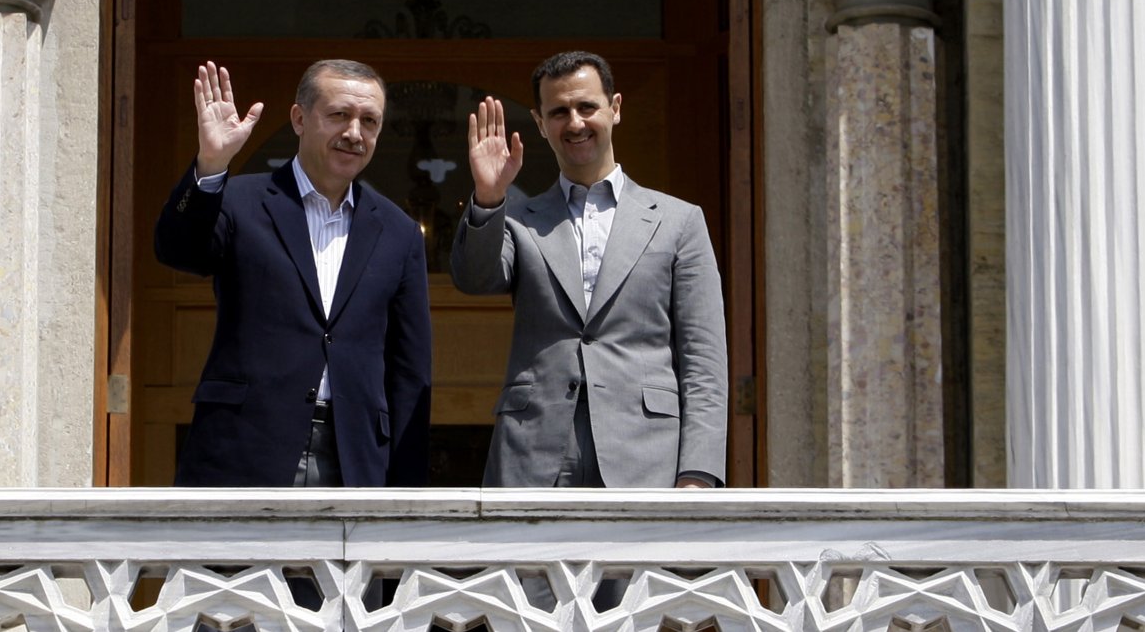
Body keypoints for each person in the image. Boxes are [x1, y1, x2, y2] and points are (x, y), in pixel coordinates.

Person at [452, 51, 728, 487]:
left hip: (645, 455)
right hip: (535, 452)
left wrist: (698, 471)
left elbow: (703, 360)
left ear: (615, 108)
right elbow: (475, 278)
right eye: (559, 112)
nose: (575, 123)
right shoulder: (520, 218)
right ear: (541, 124)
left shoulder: (679, 221)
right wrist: (488, 197)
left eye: (587, 107)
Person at [155, 59, 431, 487]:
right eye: (339, 114)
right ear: (299, 119)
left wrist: (408, 490)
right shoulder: (239, 199)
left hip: (354, 458)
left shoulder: (398, 232)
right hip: (243, 447)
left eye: (369, 121)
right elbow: (178, 251)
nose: (354, 133)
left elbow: (409, 369)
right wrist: (210, 165)